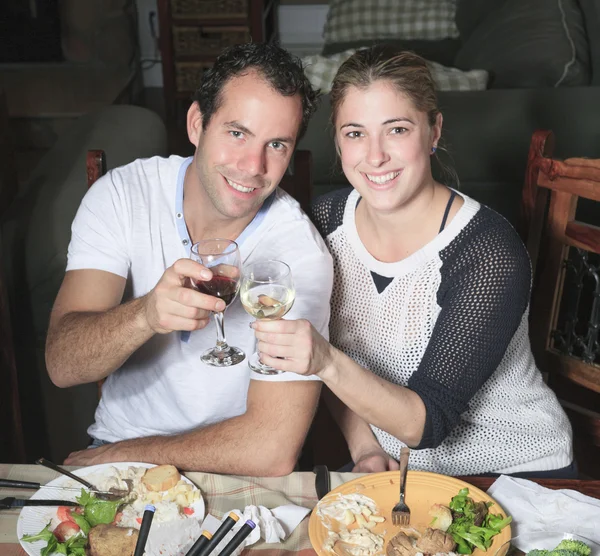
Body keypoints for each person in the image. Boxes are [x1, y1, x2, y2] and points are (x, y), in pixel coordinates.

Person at [252, 46, 575, 478]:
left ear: (434, 130)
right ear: (337, 141)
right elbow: (327, 353)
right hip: (395, 469)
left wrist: (324, 360)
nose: (375, 155)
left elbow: (427, 423)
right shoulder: (325, 222)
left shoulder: (487, 253)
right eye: (355, 133)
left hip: (515, 471)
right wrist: (365, 446)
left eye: (397, 129)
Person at [45, 42, 333, 476]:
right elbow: (62, 365)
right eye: (237, 133)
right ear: (197, 124)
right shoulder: (125, 194)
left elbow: (271, 449)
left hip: (227, 466)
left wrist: (124, 455)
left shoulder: (298, 256)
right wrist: (145, 316)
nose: (252, 165)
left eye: (277, 144)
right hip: (115, 446)